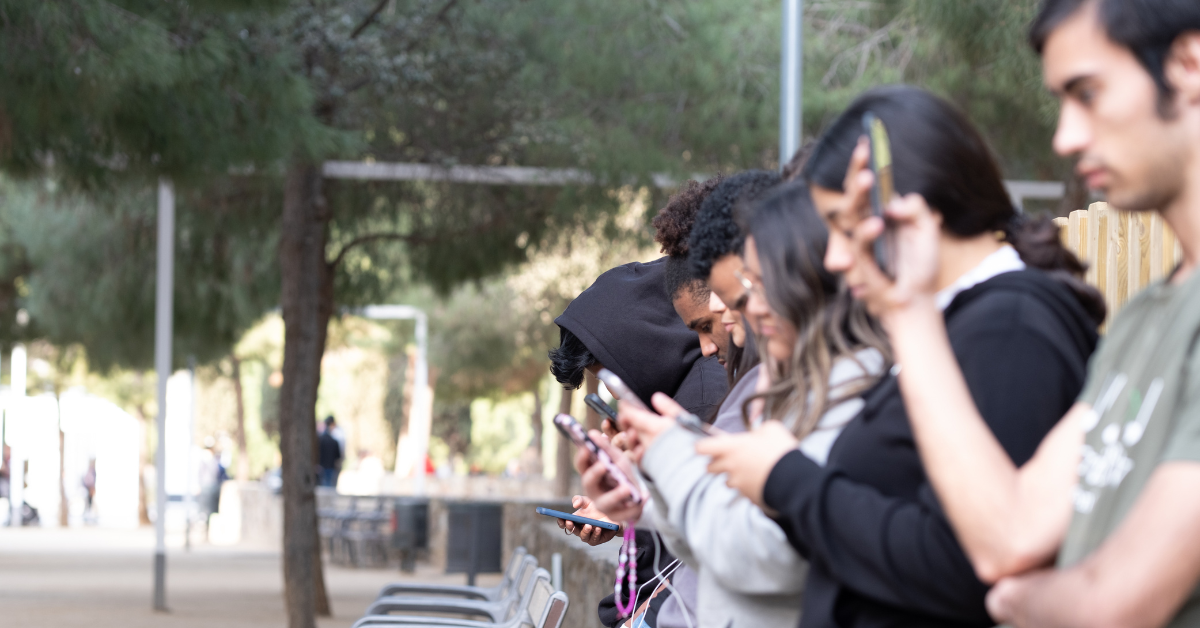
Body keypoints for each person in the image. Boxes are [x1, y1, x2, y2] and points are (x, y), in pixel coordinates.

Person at [806, 2, 1200, 626]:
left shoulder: (1019, 321)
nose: (1064, 137)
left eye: (1087, 92)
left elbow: (1112, 607)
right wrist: (905, 309)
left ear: (1189, 63)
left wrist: (1027, 602)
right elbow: (1008, 537)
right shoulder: (1145, 317)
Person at [699, 85, 1103, 627]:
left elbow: (959, 566)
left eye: (845, 229)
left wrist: (787, 481)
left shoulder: (1009, 328)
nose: (837, 259)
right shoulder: (950, 325)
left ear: (913, 209)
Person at [601, 181, 887, 628]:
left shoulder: (850, 385)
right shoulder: (795, 381)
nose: (724, 307)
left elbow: (765, 556)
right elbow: (716, 544)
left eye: (747, 282)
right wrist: (647, 489)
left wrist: (670, 461)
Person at [548, 256, 729, 628]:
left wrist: (651, 616)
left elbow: (713, 537)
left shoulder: (708, 397)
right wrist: (620, 510)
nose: (617, 394)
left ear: (640, 347)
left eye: (614, 378)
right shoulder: (677, 395)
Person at [318, 416, 342, 489]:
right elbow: (338, 457)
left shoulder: (321, 439)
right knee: (329, 487)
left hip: (324, 467)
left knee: (325, 487)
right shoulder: (334, 441)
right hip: (329, 468)